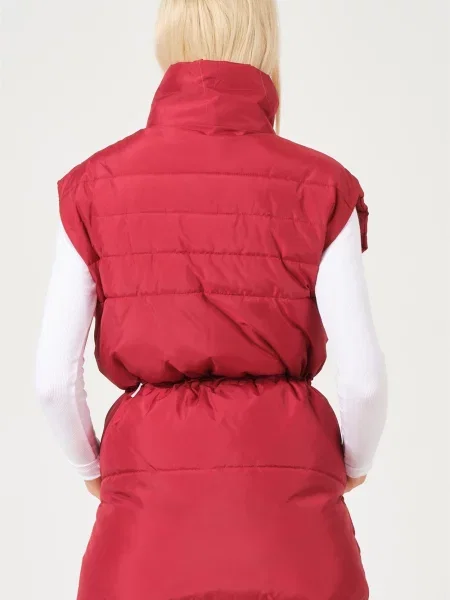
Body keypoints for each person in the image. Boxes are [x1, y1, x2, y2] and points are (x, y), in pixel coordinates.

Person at [35, 1, 387, 598]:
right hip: (294, 532)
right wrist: (352, 463)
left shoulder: (92, 187)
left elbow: (51, 381)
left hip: (145, 525)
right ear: (266, 43)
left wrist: (91, 468)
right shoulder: (323, 186)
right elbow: (365, 382)